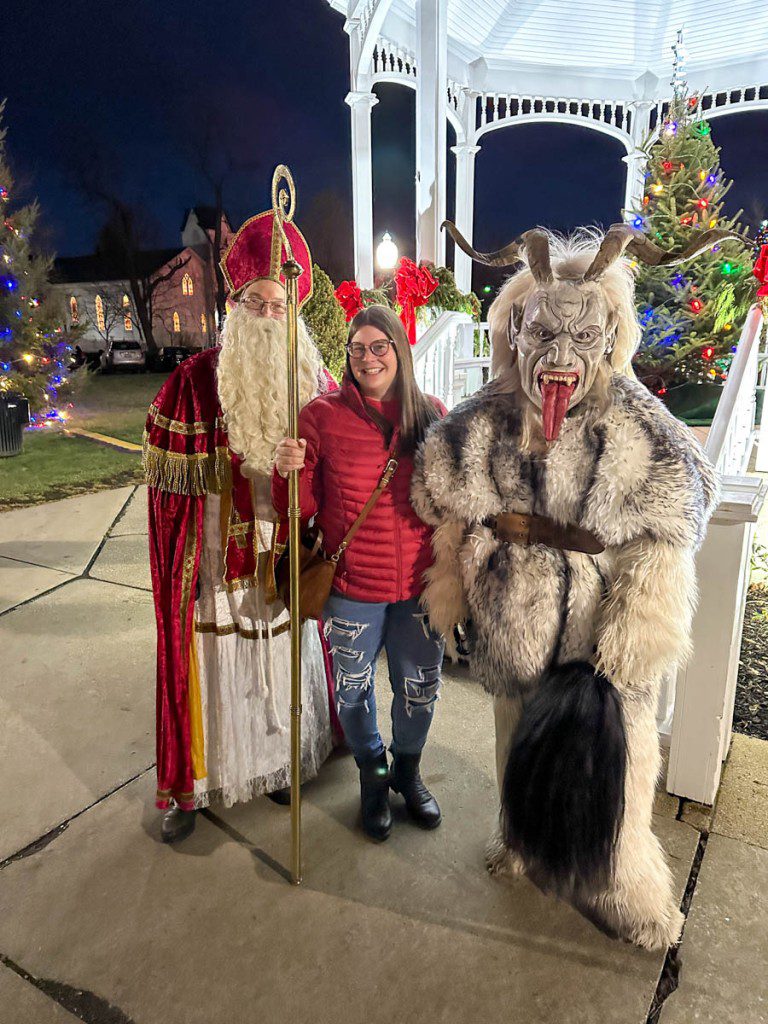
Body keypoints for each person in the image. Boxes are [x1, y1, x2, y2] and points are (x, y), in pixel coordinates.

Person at [412, 222, 722, 950]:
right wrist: (467, 555)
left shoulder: (633, 416)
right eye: (541, 333)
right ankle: (522, 837)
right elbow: (437, 481)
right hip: (513, 605)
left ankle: (632, 892)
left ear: (609, 336)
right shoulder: (490, 412)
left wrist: (640, 616)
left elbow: (688, 498)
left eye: (581, 338)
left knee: (618, 758)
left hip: (594, 619)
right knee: (515, 732)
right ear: (517, 329)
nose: (558, 358)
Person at [144, 202, 336, 844]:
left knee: (277, 658)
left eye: (280, 306)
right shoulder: (194, 382)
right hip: (216, 565)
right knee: (214, 664)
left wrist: (299, 464)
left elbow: (330, 486)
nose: (268, 316)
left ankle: (277, 764)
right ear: (236, 303)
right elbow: (170, 492)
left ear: (294, 312)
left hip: (282, 561)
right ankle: (190, 786)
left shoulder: (314, 382)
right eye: (256, 302)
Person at [273, 305, 446, 841]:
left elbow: (453, 498)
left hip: (420, 588)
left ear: (399, 350)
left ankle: (407, 772)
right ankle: (373, 778)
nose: (368, 358)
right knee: (353, 692)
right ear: (346, 357)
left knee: (419, 688)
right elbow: (298, 509)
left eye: (379, 346)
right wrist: (288, 471)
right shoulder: (320, 415)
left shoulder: (433, 413)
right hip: (351, 589)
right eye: (357, 348)